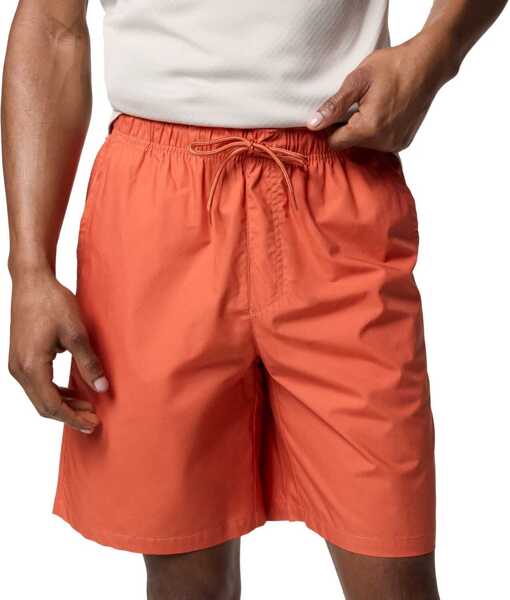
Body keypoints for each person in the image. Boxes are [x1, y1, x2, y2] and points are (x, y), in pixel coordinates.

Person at [2, 1, 507, 598]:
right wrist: (29, 268)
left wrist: (435, 54)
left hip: (336, 181)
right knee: (184, 571)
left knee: (391, 553)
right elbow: (52, 26)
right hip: (155, 205)